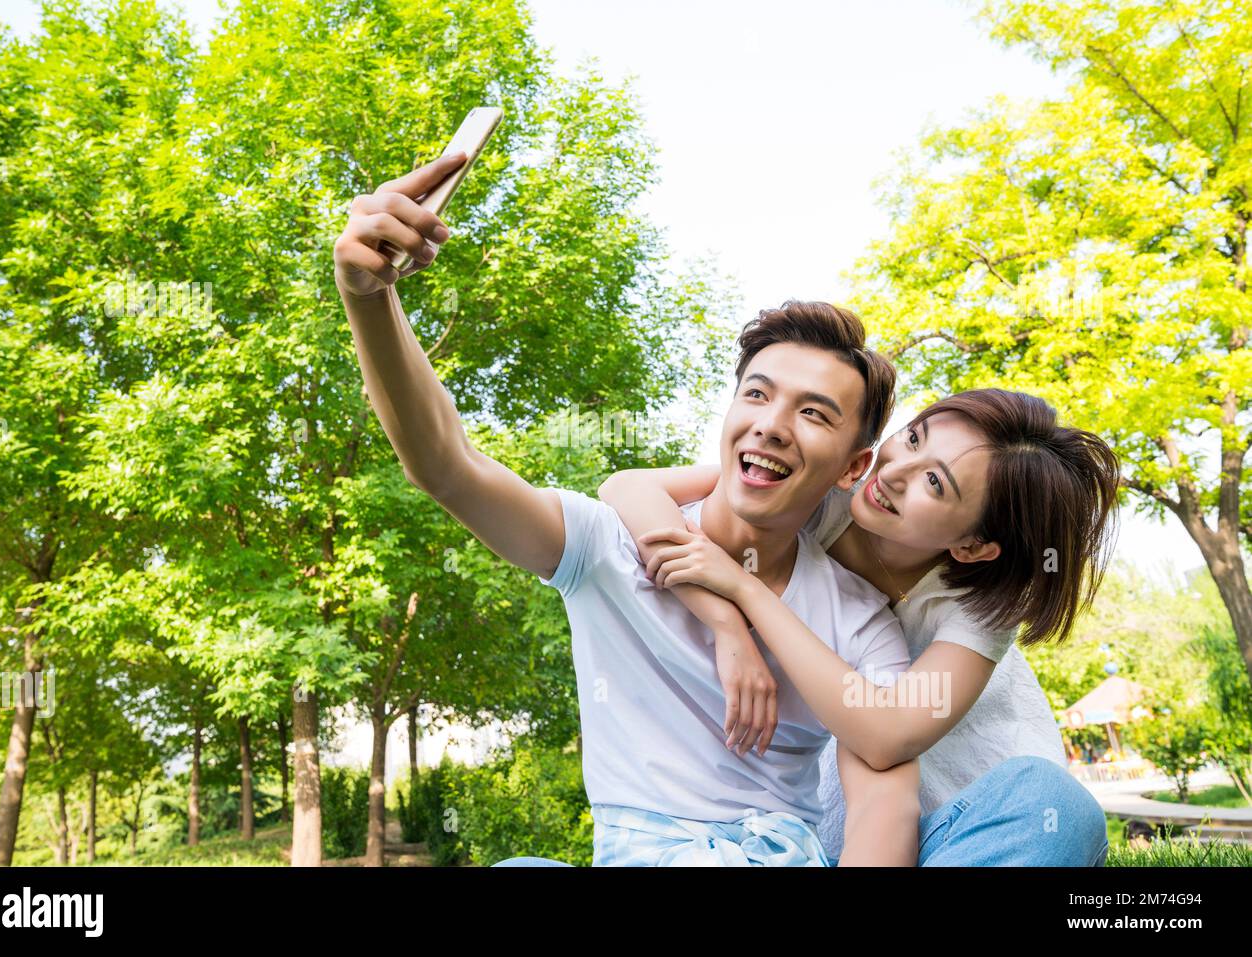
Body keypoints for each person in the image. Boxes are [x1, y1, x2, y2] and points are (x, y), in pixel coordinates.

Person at [334, 154, 1109, 866]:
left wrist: (741, 600)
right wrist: (369, 299)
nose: (772, 423)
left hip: (822, 847)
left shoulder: (866, 618)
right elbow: (449, 463)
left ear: (849, 464)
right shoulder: (611, 545)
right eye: (759, 394)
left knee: (1052, 809)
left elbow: (881, 782)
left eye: (814, 414)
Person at [599, 375, 1120, 865]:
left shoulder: (980, 608)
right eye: (914, 439)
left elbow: (888, 735)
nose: (892, 473)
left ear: (974, 545)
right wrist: (725, 623)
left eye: (934, 483)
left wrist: (748, 592)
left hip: (972, 827)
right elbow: (628, 490)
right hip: (845, 831)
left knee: (1058, 804)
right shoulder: (819, 497)